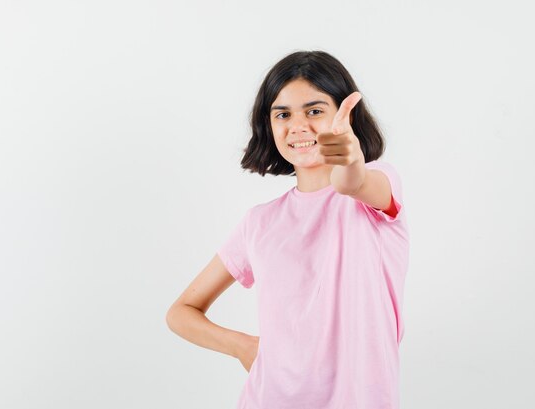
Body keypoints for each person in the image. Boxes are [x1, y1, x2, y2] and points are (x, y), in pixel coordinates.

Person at [165, 50, 409, 409]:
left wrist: (351, 158)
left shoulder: (377, 187)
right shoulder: (259, 222)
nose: (298, 126)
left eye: (314, 111)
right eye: (283, 114)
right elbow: (181, 311)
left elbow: (350, 182)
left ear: (345, 116)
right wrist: (243, 346)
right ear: (269, 124)